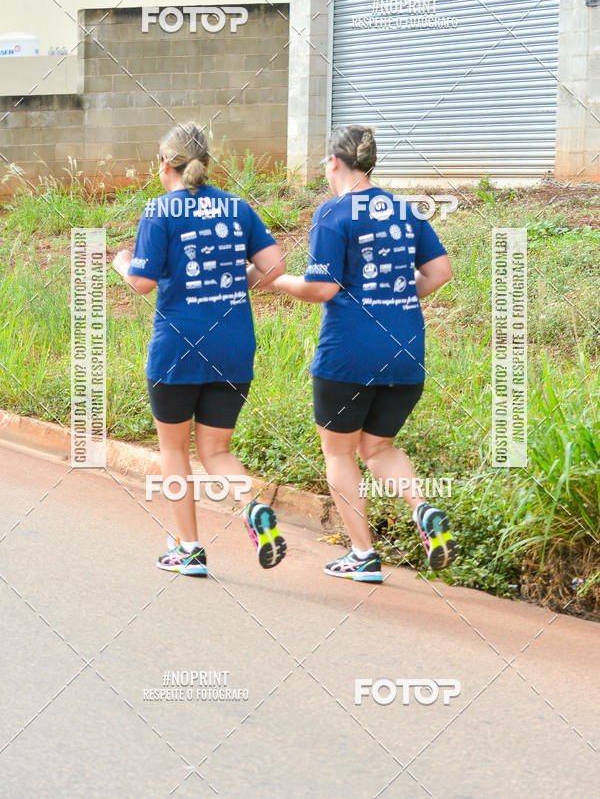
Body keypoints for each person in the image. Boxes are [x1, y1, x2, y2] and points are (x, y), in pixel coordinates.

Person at [268, 125, 458, 583]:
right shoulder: (405, 211)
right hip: (405, 354)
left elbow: (322, 288)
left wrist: (275, 281)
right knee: (378, 447)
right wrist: (391, 298)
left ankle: (363, 555)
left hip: (348, 356)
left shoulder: (333, 213)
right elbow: (439, 272)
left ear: (334, 161)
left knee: (339, 454)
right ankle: (422, 508)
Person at [112, 121, 287, 576]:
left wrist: (122, 262)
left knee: (175, 452)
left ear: (163, 164)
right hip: (233, 348)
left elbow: (141, 283)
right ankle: (252, 508)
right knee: (216, 451)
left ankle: (189, 548)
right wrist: (233, 282)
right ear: (206, 162)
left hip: (177, 350)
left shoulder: (160, 210)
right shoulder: (237, 207)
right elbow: (274, 268)